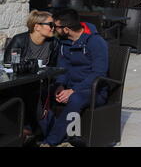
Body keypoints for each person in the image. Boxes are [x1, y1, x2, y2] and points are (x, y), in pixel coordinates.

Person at [39, 9, 109, 147]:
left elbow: (99, 73)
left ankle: (51, 141)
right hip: (70, 87)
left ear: (66, 29)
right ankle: (39, 131)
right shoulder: (64, 43)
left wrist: (73, 91)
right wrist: (60, 85)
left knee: (75, 99)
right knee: (41, 92)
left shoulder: (96, 42)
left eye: (55, 26)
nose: (53, 29)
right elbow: (63, 68)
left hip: (94, 90)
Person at [1, 10, 59, 139]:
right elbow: (9, 65)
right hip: (20, 84)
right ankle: (22, 130)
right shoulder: (19, 40)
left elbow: (52, 68)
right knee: (22, 92)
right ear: (37, 27)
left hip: (41, 83)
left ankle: (30, 130)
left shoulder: (53, 43)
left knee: (34, 93)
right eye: (50, 24)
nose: (53, 28)